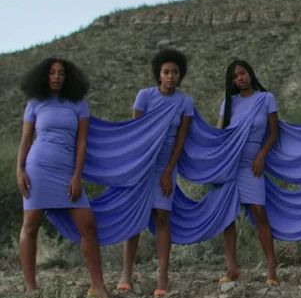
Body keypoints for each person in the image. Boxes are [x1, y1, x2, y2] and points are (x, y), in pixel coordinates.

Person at [16, 58, 109, 297]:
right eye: (52, 73)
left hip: (66, 172)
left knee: (88, 225)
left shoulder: (78, 104)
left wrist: (77, 175)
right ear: (44, 76)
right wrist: (19, 170)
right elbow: (26, 140)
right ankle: (31, 289)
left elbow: (82, 142)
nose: (56, 77)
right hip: (37, 168)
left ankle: (98, 287)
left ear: (68, 78)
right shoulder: (35, 103)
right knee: (30, 226)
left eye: (61, 73)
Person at [118, 49, 194, 298]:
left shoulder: (185, 102)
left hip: (165, 167)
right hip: (141, 166)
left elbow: (181, 140)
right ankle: (126, 274)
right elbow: (134, 131)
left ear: (179, 75)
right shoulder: (144, 96)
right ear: (158, 75)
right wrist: (135, 167)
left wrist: (169, 170)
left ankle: (163, 274)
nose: (171, 76)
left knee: (162, 216)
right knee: (135, 219)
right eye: (166, 72)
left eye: (175, 72)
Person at [217, 59, 279, 286]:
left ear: (250, 73)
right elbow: (219, 133)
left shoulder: (266, 99)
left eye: (242, 73)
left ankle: (271, 264)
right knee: (227, 216)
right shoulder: (228, 103)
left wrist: (262, 156)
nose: (240, 78)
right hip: (230, 165)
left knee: (258, 211)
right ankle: (232, 268)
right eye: (235, 76)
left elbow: (274, 133)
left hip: (252, 165)